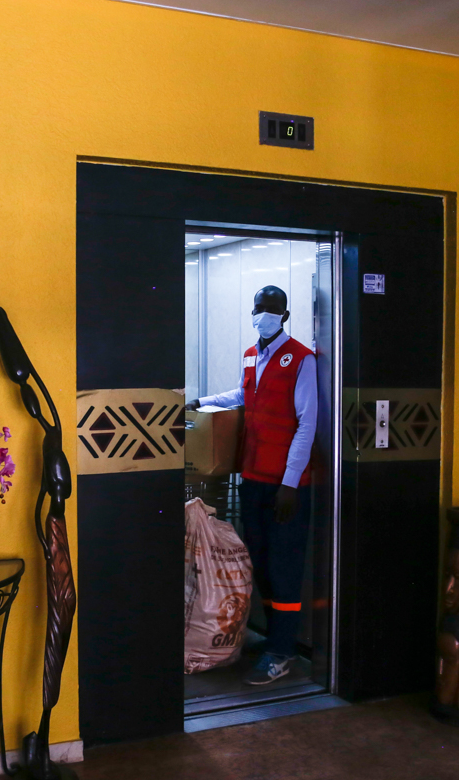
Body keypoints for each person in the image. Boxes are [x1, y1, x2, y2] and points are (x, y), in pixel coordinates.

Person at [186, 285, 317, 685]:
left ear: (285, 315)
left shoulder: (302, 359)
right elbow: (243, 395)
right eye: (259, 308)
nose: (264, 314)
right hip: (252, 476)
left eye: (272, 309)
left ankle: (282, 651)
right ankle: (275, 640)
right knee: (259, 560)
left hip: (284, 484)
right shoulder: (250, 354)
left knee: (284, 565)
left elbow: (307, 422)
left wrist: (291, 484)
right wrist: (200, 401)